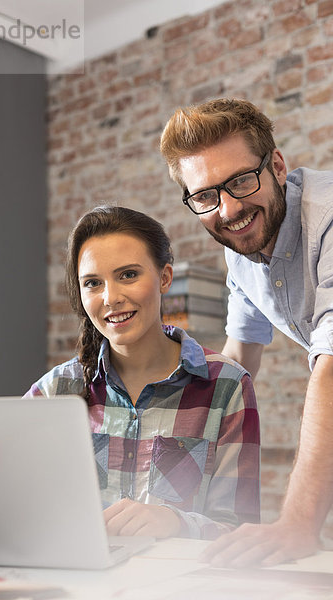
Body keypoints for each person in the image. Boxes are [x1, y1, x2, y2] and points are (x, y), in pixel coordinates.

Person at [160, 97, 333, 566]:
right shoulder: (240, 250)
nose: (229, 208)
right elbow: (238, 362)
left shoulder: (329, 218)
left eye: (240, 180)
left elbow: (332, 370)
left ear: (277, 165)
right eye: (205, 196)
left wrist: (297, 522)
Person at [25, 205, 260, 540]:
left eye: (128, 275)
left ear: (164, 277)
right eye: (93, 283)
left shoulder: (227, 386)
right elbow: (11, 507)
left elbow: (241, 533)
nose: (111, 298)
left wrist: (178, 523)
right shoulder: (54, 391)